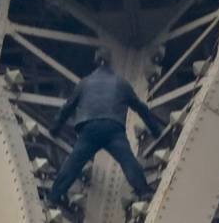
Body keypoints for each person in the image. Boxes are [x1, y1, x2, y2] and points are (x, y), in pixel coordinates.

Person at [47, 48, 163, 205]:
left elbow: (67, 108)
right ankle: (144, 191)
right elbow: (140, 107)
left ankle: (53, 197)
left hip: (89, 129)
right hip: (112, 129)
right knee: (127, 160)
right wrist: (155, 129)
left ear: (96, 62)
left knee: (73, 164)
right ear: (111, 63)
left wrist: (54, 128)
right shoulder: (121, 83)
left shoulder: (84, 83)